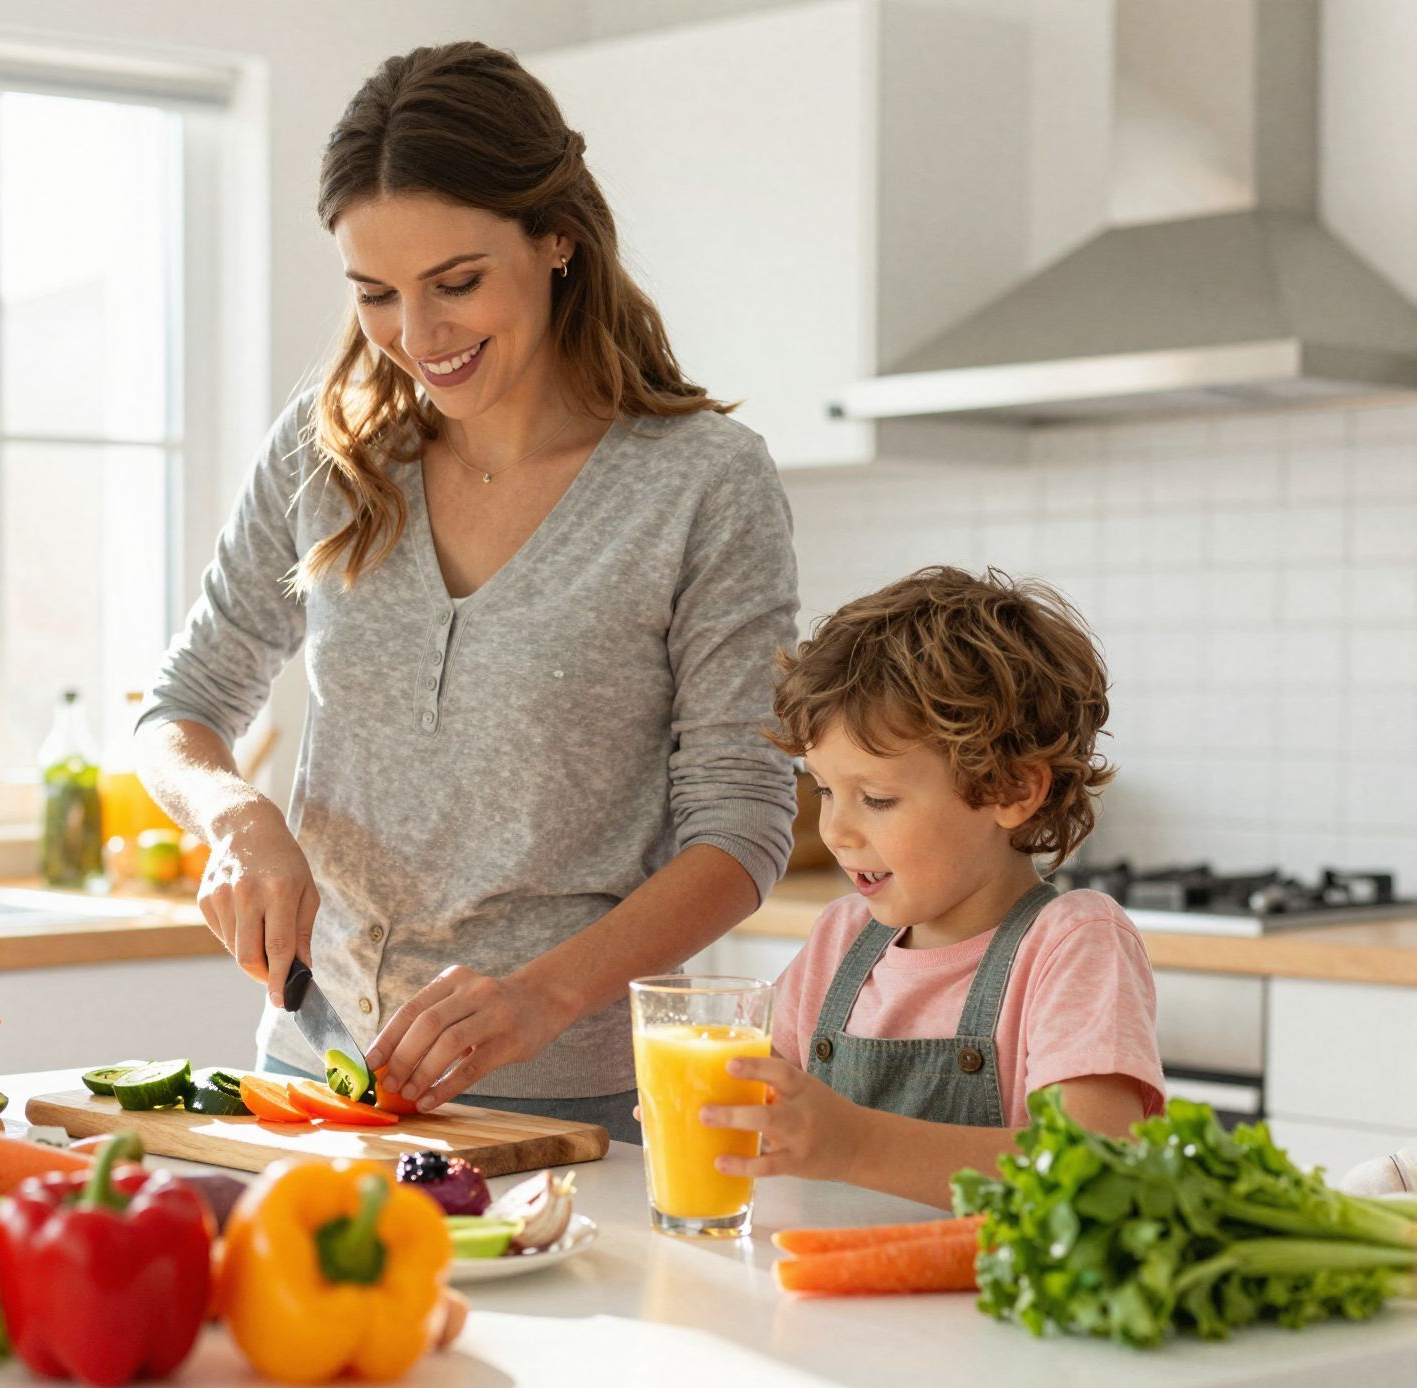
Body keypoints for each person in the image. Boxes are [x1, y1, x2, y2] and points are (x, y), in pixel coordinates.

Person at [136, 41, 799, 1136]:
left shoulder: (700, 485)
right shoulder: (326, 453)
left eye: (455, 284)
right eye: (375, 295)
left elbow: (739, 833)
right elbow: (182, 708)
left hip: (568, 1107)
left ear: (556, 238)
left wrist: (544, 995)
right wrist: (235, 816)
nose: (416, 337)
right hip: (313, 1074)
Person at [702, 567, 1165, 1208]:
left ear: (1012, 789)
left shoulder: (1071, 944)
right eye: (826, 790)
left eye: (878, 799)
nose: (835, 830)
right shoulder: (843, 937)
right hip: (829, 1296)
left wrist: (856, 1144)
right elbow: (760, 1100)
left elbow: (1096, 1169)